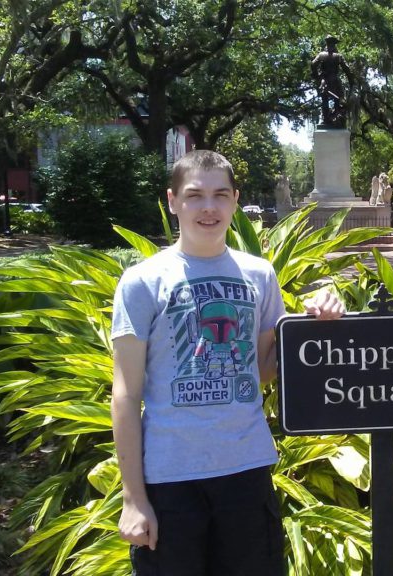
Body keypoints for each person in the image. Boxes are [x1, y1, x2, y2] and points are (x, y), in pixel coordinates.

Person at [111, 150, 344, 575]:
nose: (208, 207)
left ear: (235, 201)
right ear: (172, 201)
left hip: (246, 470)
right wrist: (133, 498)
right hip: (169, 478)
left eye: (220, 195)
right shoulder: (142, 281)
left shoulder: (259, 275)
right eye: (195, 195)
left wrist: (317, 322)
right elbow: (125, 394)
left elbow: (261, 371)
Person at [311, 35, 352, 127]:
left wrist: (316, 75)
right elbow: (347, 69)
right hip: (335, 80)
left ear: (327, 44)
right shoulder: (338, 56)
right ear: (334, 45)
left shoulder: (321, 55)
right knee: (338, 98)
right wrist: (351, 80)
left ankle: (326, 119)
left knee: (325, 100)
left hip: (324, 80)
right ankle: (336, 117)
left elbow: (313, 64)